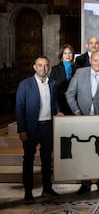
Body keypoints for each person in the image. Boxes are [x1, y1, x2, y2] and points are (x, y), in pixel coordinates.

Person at [66, 51, 99, 196]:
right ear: (90, 60)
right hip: (83, 119)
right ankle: (85, 184)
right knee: (84, 153)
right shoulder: (80, 73)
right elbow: (69, 94)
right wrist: (76, 111)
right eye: (95, 60)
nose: (98, 63)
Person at [16, 56, 62, 204]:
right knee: (28, 159)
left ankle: (47, 188)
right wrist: (22, 130)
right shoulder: (25, 84)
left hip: (47, 127)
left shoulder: (53, 84)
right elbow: (19, 108)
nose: (44, 68)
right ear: (35, 67)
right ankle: (28, 192)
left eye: (46, 65)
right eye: (40, 65)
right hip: (30, 128)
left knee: (47, 160)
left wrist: (58, 111)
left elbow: (54, 103)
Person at [50, 44, 79, 115]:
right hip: (60, 102)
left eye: (70, 53)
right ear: (61, 55)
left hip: (75, 102)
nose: (68, 55)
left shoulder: (79, 69)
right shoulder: (55, 69)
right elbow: (52, 87)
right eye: (65, 53)